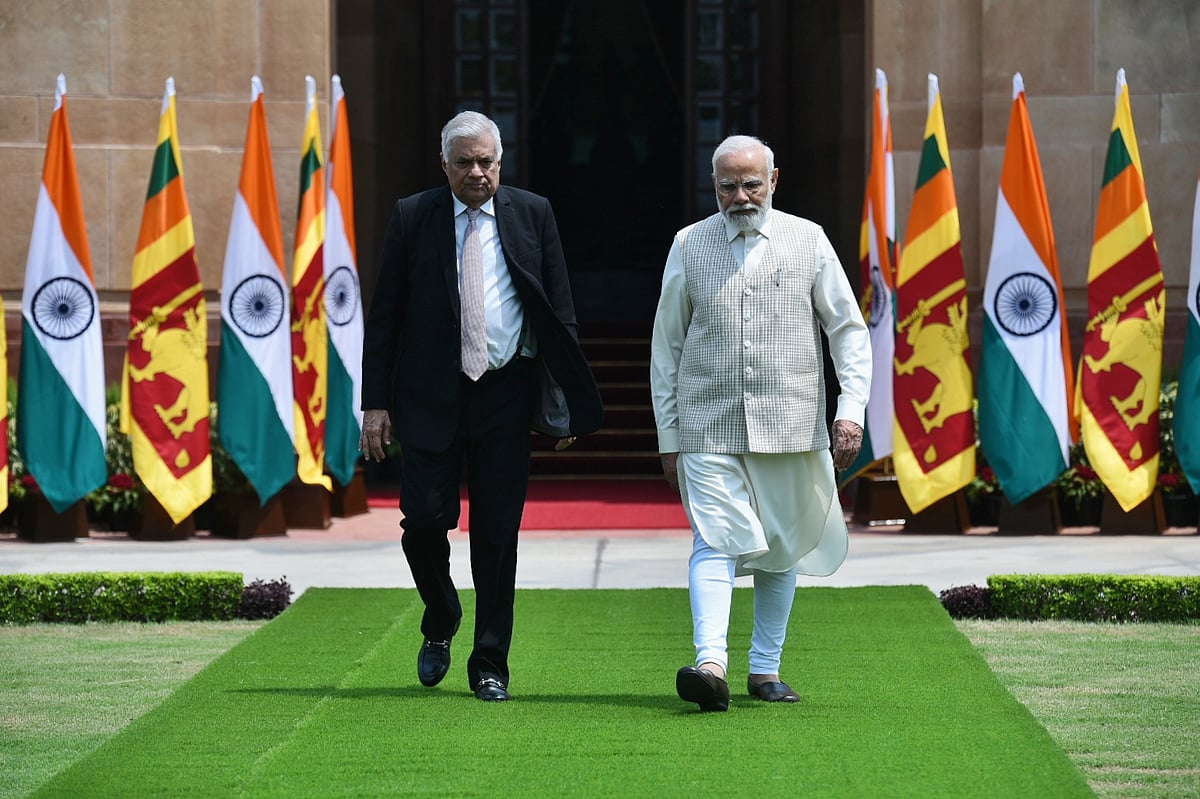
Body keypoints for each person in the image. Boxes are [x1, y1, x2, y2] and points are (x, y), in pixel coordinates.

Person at [360, 111, 603, 702]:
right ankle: (442, 614)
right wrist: (375, 404)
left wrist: (565, 395)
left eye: (486, 161)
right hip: (428, 396)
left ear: (500, 161)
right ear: (443, 165)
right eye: (464, 162)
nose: (476, 172)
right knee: (423, 523)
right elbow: (385, 316)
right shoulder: (412, 215)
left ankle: (490, 662)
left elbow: (560, 310)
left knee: (497, 532)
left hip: (505, 393)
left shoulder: (534, 213)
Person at [650, 134, 870, 712]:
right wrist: (669, 436)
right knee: (713, 538)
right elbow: (667, 346)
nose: (741, 196)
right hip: (707, 423)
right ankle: (710, 665)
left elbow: (847, 330)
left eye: (751, 184)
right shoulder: (688, 243)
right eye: (728, 186)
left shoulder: (809, 238)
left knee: (782, 546)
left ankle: (765, 669)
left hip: (791, 422)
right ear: (713, 185)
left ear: (774, 180)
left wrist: (850, 410)